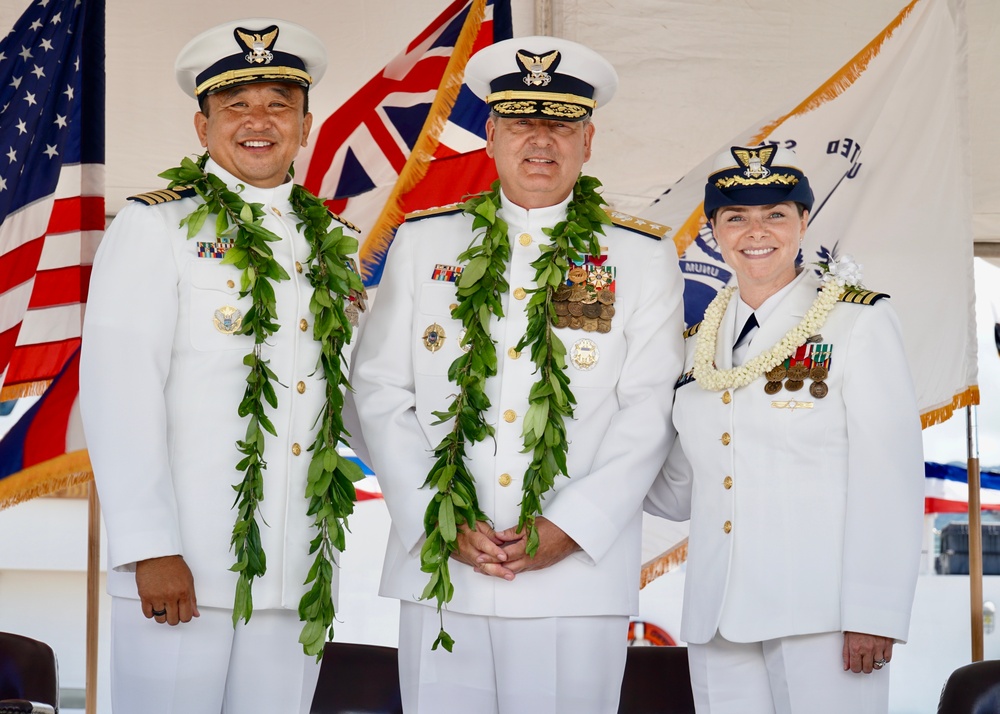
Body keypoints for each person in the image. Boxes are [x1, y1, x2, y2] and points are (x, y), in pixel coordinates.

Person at [347, 35, 685, 713]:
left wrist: (572, 525)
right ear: (493, 135)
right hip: (443, 568)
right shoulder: (424, 242)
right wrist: (436, 516)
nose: (542, 141)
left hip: (577, 579)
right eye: (524, 123)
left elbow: (647, 412)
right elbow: (379, 390)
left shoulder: (641, 258)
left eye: (560, 124)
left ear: (588, 141)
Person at [79, 18, 366, 713]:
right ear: (202, 125)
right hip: (183, 572)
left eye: (277, 105)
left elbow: (352, 397)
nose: (257, 122)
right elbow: (120, 393)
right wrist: (150, 547)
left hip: (295, 573)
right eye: (236, 106)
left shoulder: (332, 241)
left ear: (305, 122)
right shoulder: (156, 227)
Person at [645, 144, 925, 714]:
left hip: (822, 617)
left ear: (802, 223)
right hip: (717, 615)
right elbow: (677, 492)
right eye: (736, 218)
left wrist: (873, 613)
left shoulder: (855, 322)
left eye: (776, 214)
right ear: (715, 232)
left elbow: (889, 479)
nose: (756, 231)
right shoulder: (697, 341)